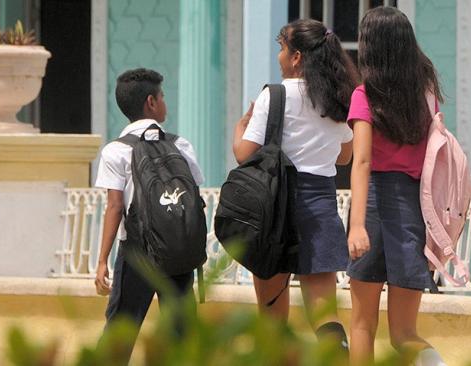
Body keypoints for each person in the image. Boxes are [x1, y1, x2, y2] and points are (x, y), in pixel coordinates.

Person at [232, 19, 358, 350]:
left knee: (272, 314)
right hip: (320, 206)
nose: (279, 55)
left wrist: (240, 128)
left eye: (282, 47)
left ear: (297, 56)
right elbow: (344, 157)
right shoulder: (336, 98)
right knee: (325, 316)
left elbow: (245, 155)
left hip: (275, 209)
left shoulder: (274, 95)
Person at [345, 7, 447, 366]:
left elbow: (362, 161)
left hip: (372, 205)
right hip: (412, 208)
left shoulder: (365, 95)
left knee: (362, 324)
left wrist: (356, 225)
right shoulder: (425, 94)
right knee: (405, 332)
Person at [94, 68, 205, 359]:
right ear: (151, 103)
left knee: (121, 329)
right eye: (163, 96)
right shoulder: (180, 145)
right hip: (178, 251)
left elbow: (115, 206)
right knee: (182, 334)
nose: (165, 102)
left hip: (137, 253)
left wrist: (102, 260)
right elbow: (192, 193)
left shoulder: (115, 151)